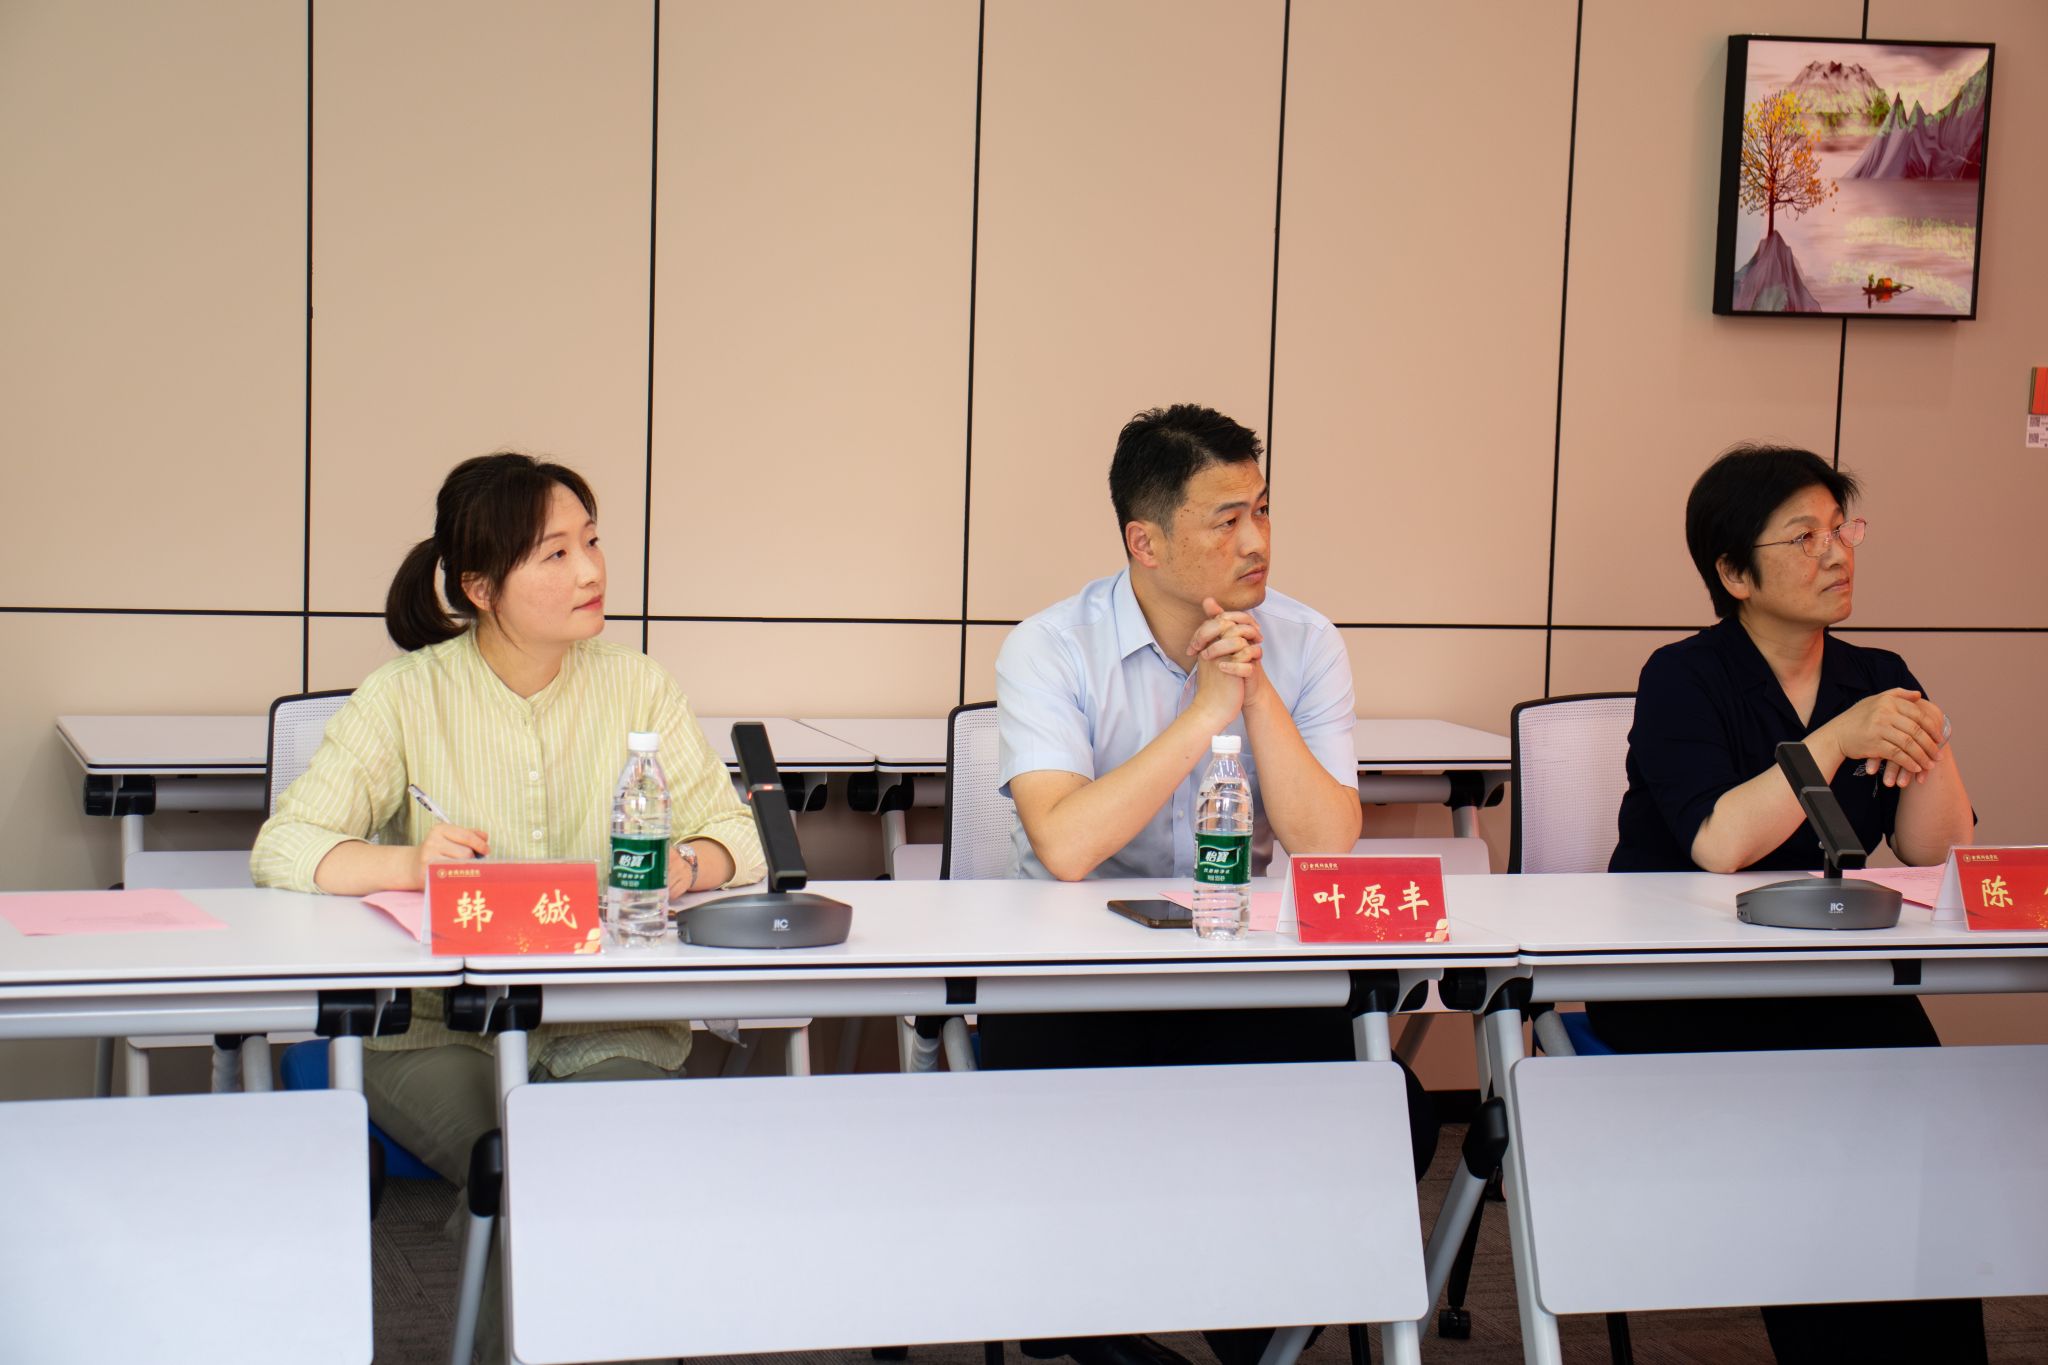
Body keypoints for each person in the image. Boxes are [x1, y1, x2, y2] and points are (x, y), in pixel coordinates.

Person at [251, 451, 763, 1364]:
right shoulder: (406, 695)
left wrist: (684, 864)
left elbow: (740, 837)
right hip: (434, 1031)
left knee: (586, 1163)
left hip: (608, 1022)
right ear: (480, 587)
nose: (592, 570)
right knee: (536, 1164)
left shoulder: (639, 685)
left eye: (592, 541)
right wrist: (407, 862)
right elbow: (284, 846)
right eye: (555, 553)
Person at [991, 404, 1430, 1365]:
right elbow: (1066, 845)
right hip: (1070, 990)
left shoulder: (1306, 640)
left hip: (1238, 974)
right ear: (1145, 542)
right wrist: (1202, 712)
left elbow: (1327, 844)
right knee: (1071, 1132)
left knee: (1388, 1110)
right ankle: (1095, 1322)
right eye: (1225, 520)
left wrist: (1256, 690)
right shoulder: (1050, 646)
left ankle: (1250, 1328)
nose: (1257, 541)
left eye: (1262, 510)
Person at [1599, 443, 1981, 1362]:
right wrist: (1842, 735)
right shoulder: (1684, 675)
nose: (1837, 553)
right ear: (1735, 573)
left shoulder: (1876, 673)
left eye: (1841, 529)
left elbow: (1936, 851)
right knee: (1827, 1123)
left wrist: (1927, 738)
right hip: (1681, 979)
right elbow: (1718, 843)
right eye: (1804, 537)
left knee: (1919, 1101)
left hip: (1826, 971)